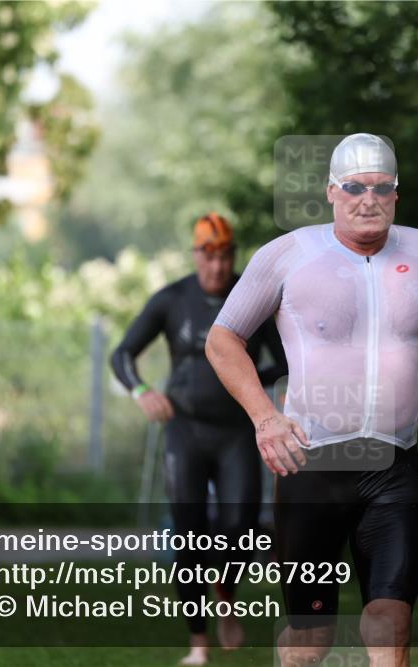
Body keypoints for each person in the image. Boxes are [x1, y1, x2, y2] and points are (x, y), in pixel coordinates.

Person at [205, 134, 418, 667]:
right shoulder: (288, 255)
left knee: (391, 623)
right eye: (356, 187)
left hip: (393, 467)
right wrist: (266, 419)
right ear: (331, 192)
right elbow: (223, 339)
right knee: (309, 640)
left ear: (396, 194)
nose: (369, 199)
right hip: (311, 465)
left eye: (382, 187)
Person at [110, 213, 288, 666]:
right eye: (209, 258)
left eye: (226, 257)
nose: (217, 268)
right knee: (188, 537)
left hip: (235, 432)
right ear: (196, 256)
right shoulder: (173, 300)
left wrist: (252, 383)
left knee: (240, 529)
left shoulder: (250, 298)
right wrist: (142, 390)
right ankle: (198, 644)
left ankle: (225, 592)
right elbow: (122, 353)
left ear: (233, 256)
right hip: (185, 431)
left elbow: (286, 359)